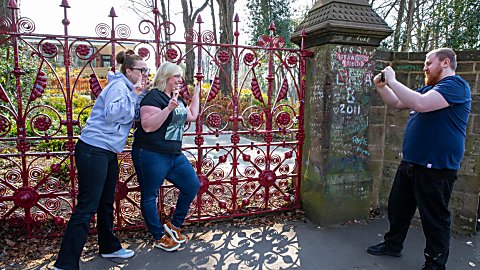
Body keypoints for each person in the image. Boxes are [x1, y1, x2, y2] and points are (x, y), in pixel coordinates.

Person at [366, 48, 471, 270]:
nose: (425, 67)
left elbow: (421, 104)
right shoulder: (429, 88)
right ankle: (393, 245)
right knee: (398, 208)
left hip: (436, 167)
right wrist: (382, 86)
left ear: (445, 63)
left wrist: (393, 80)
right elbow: (397, 103)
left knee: (435, 218)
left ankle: (435, 263)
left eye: (428, 63)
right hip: (412, 163)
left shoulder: (456, 85)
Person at [54, 50, 149, 270]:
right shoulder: (118, 86)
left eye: (147, 70)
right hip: (93, 150)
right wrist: (134, 96)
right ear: (129, 71)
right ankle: (65, 263)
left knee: (106, 202)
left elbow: (131, 118)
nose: (145, 73)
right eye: (142, 70)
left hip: (107, 151)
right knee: (87, 207)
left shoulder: (130, 88)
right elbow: (112, 114)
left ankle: (109, 247)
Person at [132, 62, 200, 252]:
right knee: (150, 196)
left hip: (173, 155)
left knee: (192, 184)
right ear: (166, 77)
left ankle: (174, 226)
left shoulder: (175, 97)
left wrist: (197, 93)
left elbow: (192, 115)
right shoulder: (154, 96)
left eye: (181, 76)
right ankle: (158, 236)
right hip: (151, 153)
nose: (180, 80)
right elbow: (147, 125)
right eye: (177, 76)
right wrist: (168, 109)